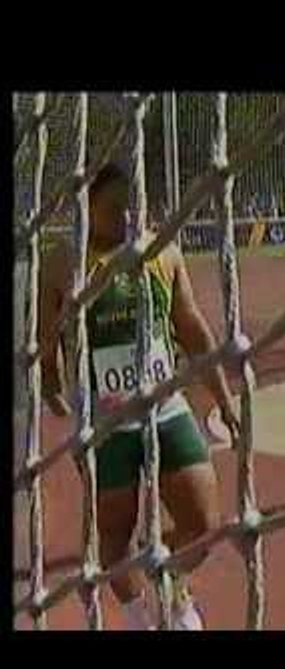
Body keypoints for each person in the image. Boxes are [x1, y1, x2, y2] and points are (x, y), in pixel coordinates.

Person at [40, 162, 241, 630]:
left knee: (204, 525)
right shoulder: (63, 262)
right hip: (107, 424)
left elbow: (191, 328)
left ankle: (172, 589)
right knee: (114, 535)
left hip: (165, 407)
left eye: (134, 205)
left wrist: (223, 398)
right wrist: (51, 386)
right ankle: (138, 618)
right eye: (114, 208)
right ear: (87, 207)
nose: (127, 215)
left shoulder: (160, 250)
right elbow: (43, 340)